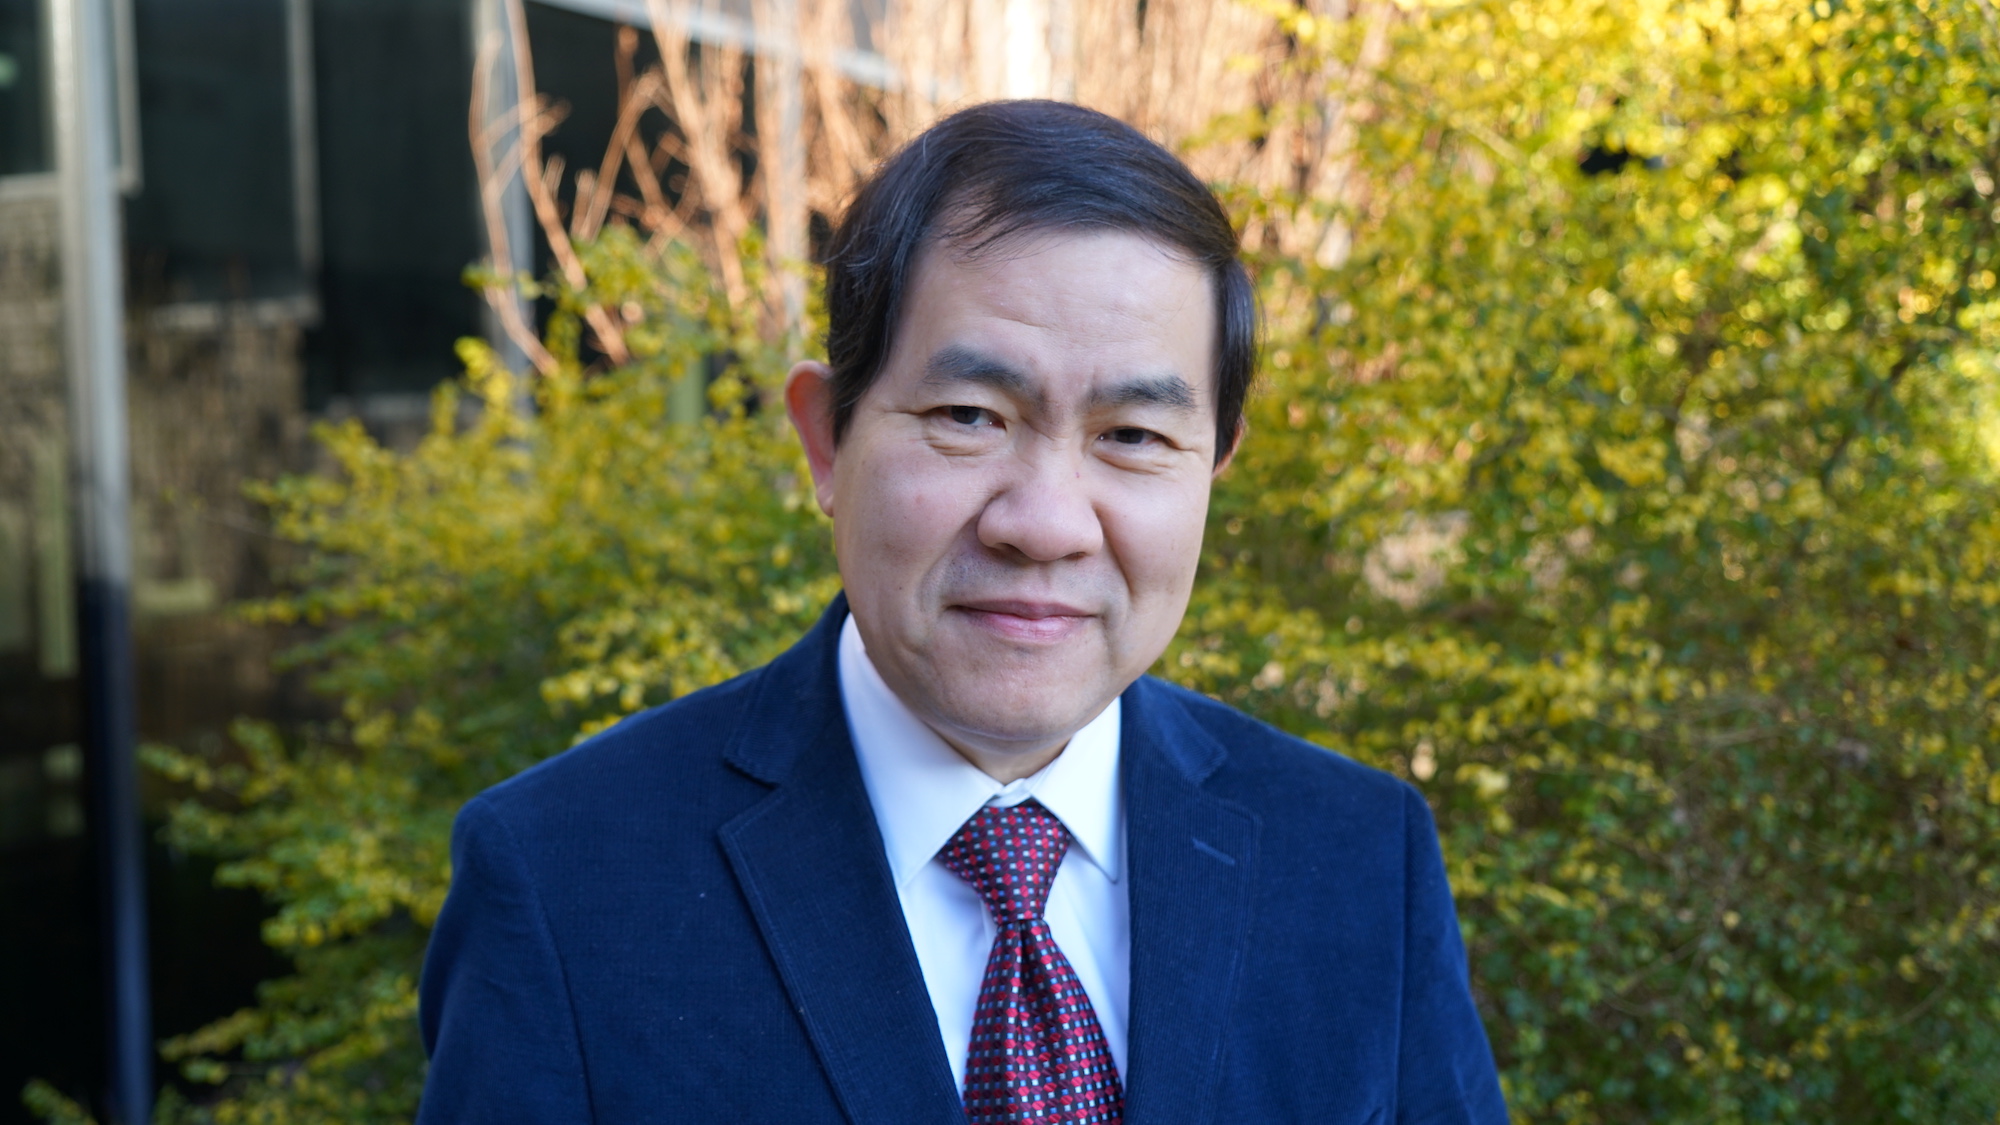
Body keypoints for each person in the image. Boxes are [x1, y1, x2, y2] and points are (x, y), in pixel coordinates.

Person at [416, 99, 1507, 1125]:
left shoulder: (1361, 861)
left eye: (1132, 435)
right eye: (969, 415)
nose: (1043, 523)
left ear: (1211, 469)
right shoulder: (564, 884)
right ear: (825, 441)